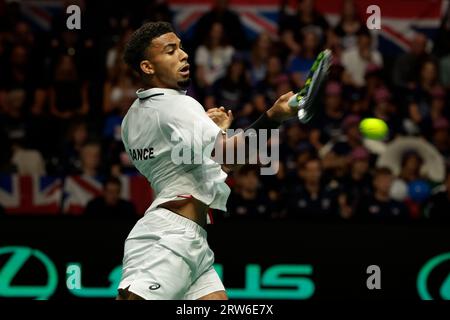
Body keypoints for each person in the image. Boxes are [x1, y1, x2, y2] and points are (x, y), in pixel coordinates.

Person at [116, 22, 300, 300]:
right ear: (147, 67)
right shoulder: (178, 105)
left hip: (193, 242)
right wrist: (273, 117)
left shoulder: (132, 119)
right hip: (169, 238)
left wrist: (218, 134)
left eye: (180, 47)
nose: (183, 54)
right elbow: (233, 157)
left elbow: (203, 164)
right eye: (170, 51)